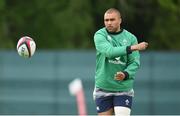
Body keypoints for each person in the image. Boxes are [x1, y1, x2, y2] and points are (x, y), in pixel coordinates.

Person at [93, 8, 148, 116]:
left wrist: (125, 74)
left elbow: (134, 62)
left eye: (112, 19)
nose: (109, 23)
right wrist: (133, 47)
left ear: (120, 20)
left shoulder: (131, 38)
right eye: (106, 20)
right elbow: (109, 52)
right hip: (103, 86)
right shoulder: (99, 35)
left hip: (123, 87)